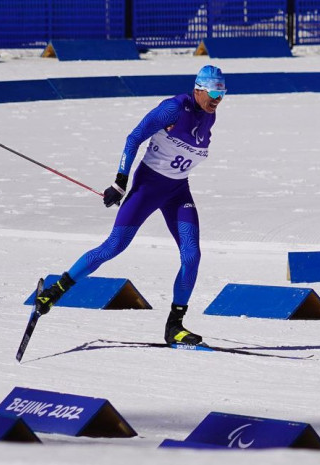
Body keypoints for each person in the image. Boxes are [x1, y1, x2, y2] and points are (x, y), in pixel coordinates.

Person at [34, 65, 227, 346]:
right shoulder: (173, 109)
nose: (217, 98)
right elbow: (134, 137)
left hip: (178, 190)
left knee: (192, 255)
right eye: (213, 92)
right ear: (198, 88)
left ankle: (175, 325)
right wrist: (119, 182)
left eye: (222, 93)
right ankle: (54, 291)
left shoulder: (210, 114)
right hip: (148, 187)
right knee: (114, 246)